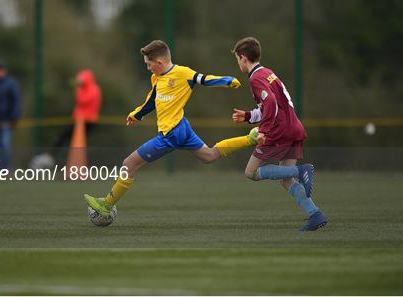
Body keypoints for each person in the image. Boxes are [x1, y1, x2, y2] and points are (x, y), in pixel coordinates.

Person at [84, 40, 258, 216]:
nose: (148, 68)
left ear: (159, 63)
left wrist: (227, 80)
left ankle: (106, 205)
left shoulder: (183, 73)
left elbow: (203, 79)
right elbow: (152, 100)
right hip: (183, 127)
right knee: (209, 155)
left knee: (129, 163)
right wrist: (137, 114)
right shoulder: (157, 78)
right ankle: (250, 139)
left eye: (148, 64)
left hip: (171, 134)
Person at [231, 37, 327, 231]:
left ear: (242, 58)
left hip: (279, 131)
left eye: (237, 59)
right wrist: (249, 116)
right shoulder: (267, 73)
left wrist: (263, 131)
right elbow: (271, 105)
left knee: (250, 172)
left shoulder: (255, 78)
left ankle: (301, 170)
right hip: (293, 127)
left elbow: (271, 104)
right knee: (285, 179)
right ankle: (315, 214)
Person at [54, 69, 102, 153]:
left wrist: (78, 89)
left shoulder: (93, 89)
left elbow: (82, 101)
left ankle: (54, 155)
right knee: (68, 138)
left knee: (76, 141)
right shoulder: (84, 88)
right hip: (80, 119)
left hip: (87, 121)